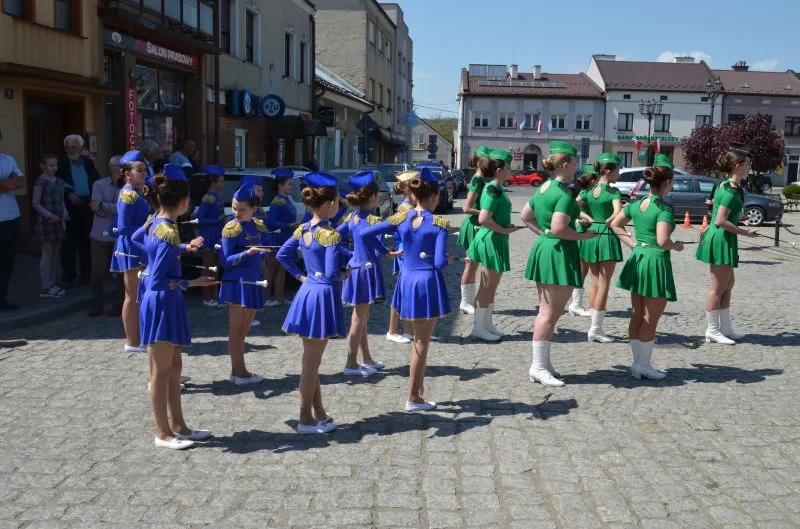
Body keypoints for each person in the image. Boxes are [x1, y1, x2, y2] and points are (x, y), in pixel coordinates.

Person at [361, 168, 454, 411]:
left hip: (407, 279)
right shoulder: (439, 224)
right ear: (433, 197)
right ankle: (413, 398)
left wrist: (386, 252)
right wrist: (447, 259)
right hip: (427, 282)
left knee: (418, 341)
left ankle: (418, 390)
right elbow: (438, 263)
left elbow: (366, 234)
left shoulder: (401, 218)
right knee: (421, 344)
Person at [139, 163, 214, 449]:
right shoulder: (168, 229)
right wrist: (193, 282)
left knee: (174, 366)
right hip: (162, 301)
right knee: (161, 372)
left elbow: (139, 241)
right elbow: (159, 279)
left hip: (164, 300)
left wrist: (182, 249)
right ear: (183, 201)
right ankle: (162, 432)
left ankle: (179, 425)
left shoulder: (155, 221)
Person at [277, 172, 350, 433]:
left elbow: (282, 254)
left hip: (307, 291)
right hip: (322, 296)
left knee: (311, 361)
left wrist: (300, 276)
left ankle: (318, 411)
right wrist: (344, 273)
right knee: (310, 365)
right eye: (338, 201)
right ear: (329, 204)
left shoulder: (304, 229)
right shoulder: (330, 234)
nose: (339, 205)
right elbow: (330, 273)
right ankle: (305, 419)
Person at [521, 141, 597, 387]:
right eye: (574, 162)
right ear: (564, 164)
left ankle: (543, 362)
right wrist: (585, 236)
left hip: (547, 248)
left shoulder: (544, 187)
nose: (577, 166)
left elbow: (525, 216)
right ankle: (538, 367)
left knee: (549, 312)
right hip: (558, 252)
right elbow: (559, 228)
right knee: (549, 313)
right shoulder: (564, 193)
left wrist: (544, 233)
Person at [612, 154, 684, 380]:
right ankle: (643, 365)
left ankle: (637, 363)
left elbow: (615, 224)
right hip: (655, 261)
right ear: (668, 183)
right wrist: (676, 246)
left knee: (637, 314)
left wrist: (632, 243)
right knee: (650, 318)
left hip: (639, 257)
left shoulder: (636, 203)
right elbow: (663, 241)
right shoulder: (663, 208)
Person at [696, 143, 758, 344]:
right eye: (747, 164)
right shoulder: (730, 190)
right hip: (720, 238)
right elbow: (720, 220)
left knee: (728, 285)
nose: (749, 167)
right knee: (717, 288)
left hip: (724, 237)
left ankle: (725, 328)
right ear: (738, 166)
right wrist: (745, 232)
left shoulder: (726, 185)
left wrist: (738, 218)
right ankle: (712, 330)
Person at [337, 171, 397, 377]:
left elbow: (334, 237)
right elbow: (375, 246)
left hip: (356, 268)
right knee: (358, 318)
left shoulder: (351, 217)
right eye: (377, 195)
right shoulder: (372, 220)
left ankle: (366, 358)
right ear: (372, 197)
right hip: (366, 270)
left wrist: (351, 255)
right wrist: (387, 251)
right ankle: (351, 363)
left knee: (362, 317)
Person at [576, 154, 633, 343]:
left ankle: (594, 327)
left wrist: (587, 218)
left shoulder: (589, 190)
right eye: (617, 171)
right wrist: (608, 220)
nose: (619, 174)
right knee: (604, 283)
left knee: (594, 282)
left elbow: (573, 205)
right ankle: (596, 329)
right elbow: (617, 212)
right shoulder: (613, 192)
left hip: (591, 234)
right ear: (608, 171)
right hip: (606, 236)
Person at [219, 183, 269, 385]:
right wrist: (247, 253)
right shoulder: (231, 228)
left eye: (242, 209)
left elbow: (262, 247)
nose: (236, 213)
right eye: (234, 208)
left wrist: (263, 258)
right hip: (237, 282)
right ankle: (239, 372)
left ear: (254, 209)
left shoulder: (257, 225)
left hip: (253, 281)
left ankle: (239, 370)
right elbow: (225, 260)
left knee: (245, 329)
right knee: (236, 330)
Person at [469, 148, 520, 342]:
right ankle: (478, 328)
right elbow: (483, 219)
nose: (510, 171)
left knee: (492, 286)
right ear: (499, 170)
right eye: (508, 168)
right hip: (491, 239)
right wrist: (503, 230)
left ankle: (487, 324)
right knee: (486, 286)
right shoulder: (493, 189)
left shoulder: (497, 188)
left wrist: (506, 227)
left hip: (496, 238)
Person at [110, 150, 151, 353]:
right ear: (127, 174)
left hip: (138, 245)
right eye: (139, 170)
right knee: (132, 296)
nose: (144, 173)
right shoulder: (127, 194)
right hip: (130, 247)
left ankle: (139, 336)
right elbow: (123, 227)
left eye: (144, 170)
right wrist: (148, 227)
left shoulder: (137, 192)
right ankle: (132, 341)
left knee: (139, 295)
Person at [58, 134, 101, 287]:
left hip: (86, 204)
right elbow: (57, 181)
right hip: (68, 205)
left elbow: (96, 181)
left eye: (74, 147)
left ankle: (86, 275)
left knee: (85, 241)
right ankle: (69, 276)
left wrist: (95, 200)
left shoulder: (88, 162)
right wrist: (68, 193)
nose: (71, 150)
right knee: (68, 242)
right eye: (68, 147)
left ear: (81, 148)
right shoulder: (61, 163)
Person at [457, 146, 492, 315]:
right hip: (473, 225)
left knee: (473, 265)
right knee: (470, 265)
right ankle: (464, 302)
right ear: (479, 162)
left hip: (477, 224)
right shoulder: (478, 180)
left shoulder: (480, 179)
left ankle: (468, 301)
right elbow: (466, 208)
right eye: (486, 161)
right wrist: (487, 213)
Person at [88, 155, 124, 316]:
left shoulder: (128, 188)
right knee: (97, 272)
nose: (118, 170)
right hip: (100, 234)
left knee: (121, 273)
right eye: (114, 167)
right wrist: (108, 208)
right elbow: (96, 208)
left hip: (119, 235)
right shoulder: (99, 184)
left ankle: (119, 305)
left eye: (120, 167)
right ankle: (97, 304)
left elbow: (123, 209)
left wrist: (104, 205)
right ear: (110, 168)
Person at [385, 170, 417, 344]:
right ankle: (399, 330)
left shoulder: (408, 206)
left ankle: (405, 329)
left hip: (406, 251)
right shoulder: (406, 208)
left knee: (403, 292)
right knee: (403, 293)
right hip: (406, 252)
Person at [32, 154, 68, 298]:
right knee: (47, 253)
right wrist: (48, 215)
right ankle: (45, 286)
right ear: (43, 166)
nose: (54, 168)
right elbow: (35, 203)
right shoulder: (40, 182)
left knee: (55, 253)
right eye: (50, 165)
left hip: (59, 221)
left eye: (55, 165)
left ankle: (52, 283)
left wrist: (64, 213)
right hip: (46, 222)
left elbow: (61, 200)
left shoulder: (59, 181)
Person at [195, 165, 227, 308]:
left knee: (216, 267)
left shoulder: (217, 196)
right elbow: (199, 219)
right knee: (207, 266)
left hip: (217, 234)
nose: (223, 184)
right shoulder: (208, 198)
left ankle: (215, 295)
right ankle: (206, 296)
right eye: (221, 181)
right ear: (213, 182)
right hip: (208, 235)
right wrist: (217, 220)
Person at [265, 169, 297, 307]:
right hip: (278, 239)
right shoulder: (278, 201)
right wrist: (289, 225)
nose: (292, 186)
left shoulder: (286, 199)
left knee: (282, 269)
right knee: (271, 270)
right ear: (280, 185)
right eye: (289, 184)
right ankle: (264, 298)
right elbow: (270, 222)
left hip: (286, 238)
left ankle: (279, 297)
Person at [0, 128, 24, 310]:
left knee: (7, 260)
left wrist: (6, 183)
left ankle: (2, 297)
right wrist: (9, 182)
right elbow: (14, 182)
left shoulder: (8, 160)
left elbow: (21, 182)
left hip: (10, 217)